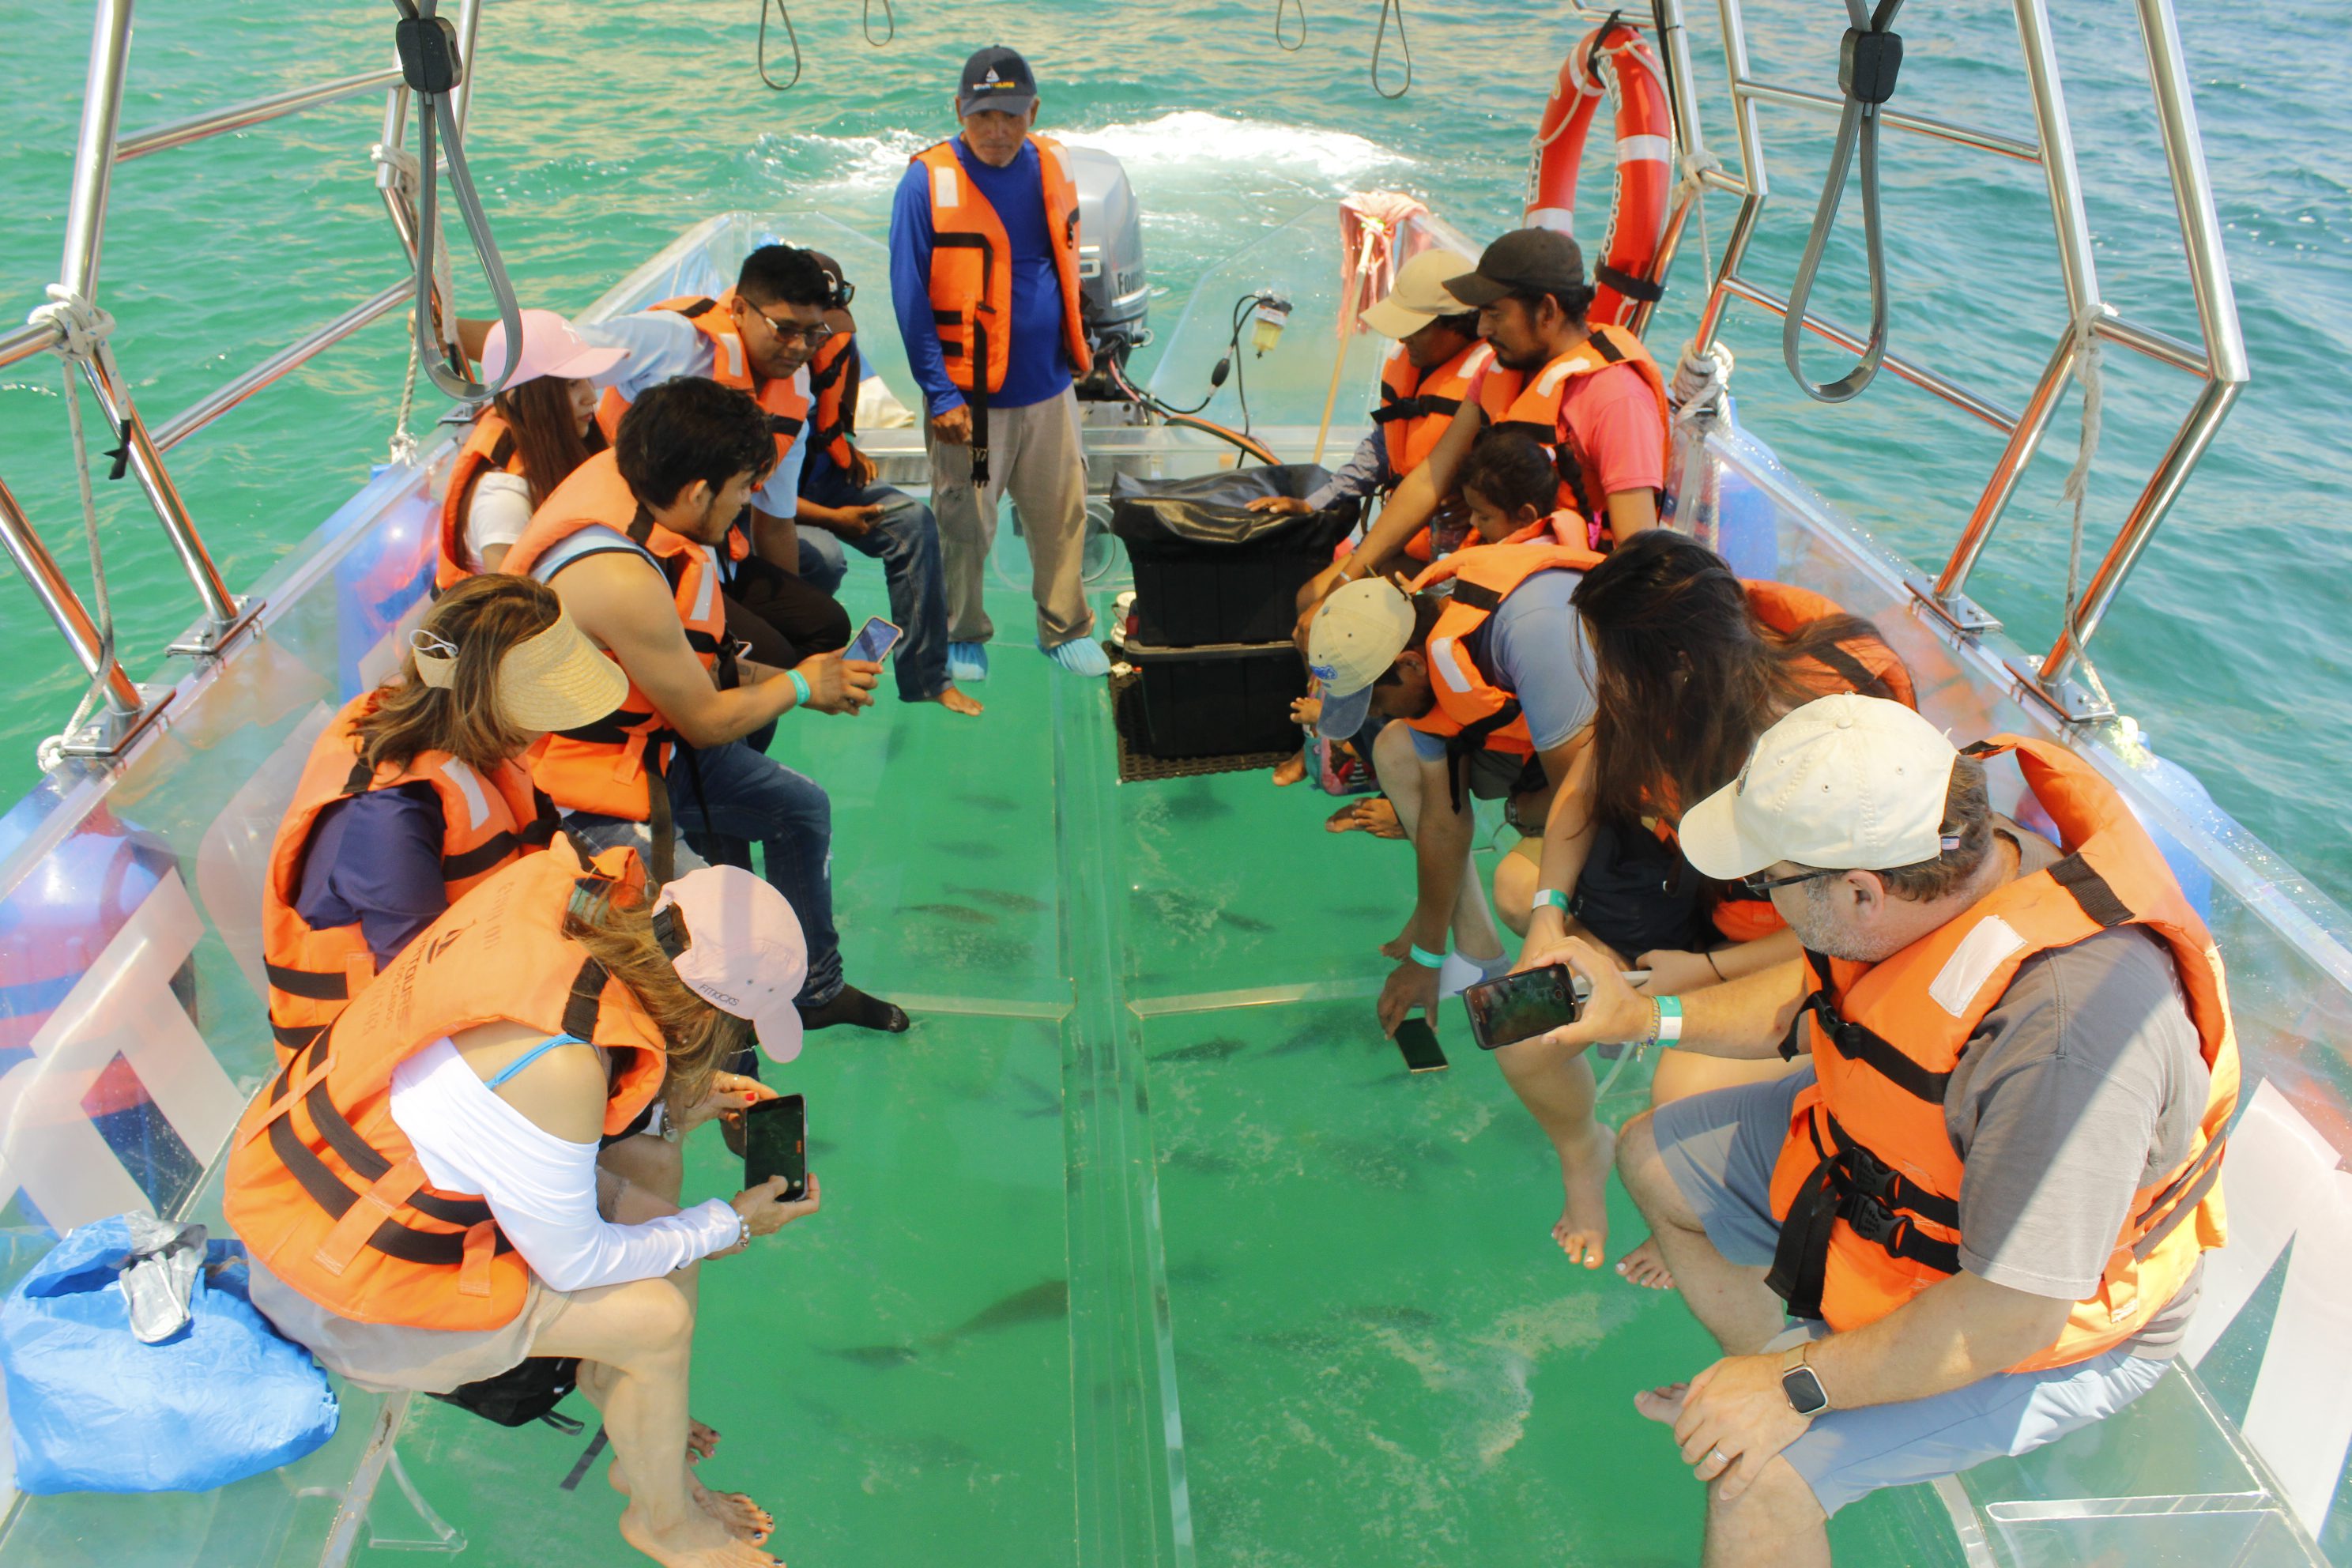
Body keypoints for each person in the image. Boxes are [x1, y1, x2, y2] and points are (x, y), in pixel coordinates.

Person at [1530, 695, 2237, 1568]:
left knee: (1759, 1476)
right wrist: (1643, 1014)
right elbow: (1818, 991)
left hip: (2047, 1318)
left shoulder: (2061, 1037)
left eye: (1768, 880)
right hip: (1900, 1191)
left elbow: (2012, 1313)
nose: (1758, 897)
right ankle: (1792, 1373)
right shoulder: (1937, 868)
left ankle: (1794, 1399)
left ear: (1859, 890)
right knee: (1653, 1156)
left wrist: (1791, 1390)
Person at [228, 838, 820, 1568]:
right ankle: (662, 1525)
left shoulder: (565, 910)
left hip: (313, 1196)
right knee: (657, 1318)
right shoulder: (559, 1059)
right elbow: (574, 1263)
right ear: (702, 1014)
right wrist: (732, 1223)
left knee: (658, 1177)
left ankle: (638, 1424)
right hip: (335, 1295)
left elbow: (495, 1108)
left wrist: (675, 1110)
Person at [1498, 531, 1914, 1285]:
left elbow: (1859, 918)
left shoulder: (1826, 739)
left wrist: (1708, 967)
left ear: (1679, 667)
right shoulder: (1656, 692)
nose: (1603, 683)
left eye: (1611, 664)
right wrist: (1550, 915)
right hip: (1688, 894)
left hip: (1785, 941)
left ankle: (1688, 1221)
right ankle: (1580, 1152)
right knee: (1524, 1023)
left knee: (1671, 1117)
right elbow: (1584, 791)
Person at [504, 375, 906, 1035]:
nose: (750, 500)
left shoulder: (643, 489)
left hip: (652, 746)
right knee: (708, 941)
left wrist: (808, 677)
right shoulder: (618, 577)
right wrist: (802, 687)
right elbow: (703, 718)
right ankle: (722, 1066)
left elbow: (702, 664)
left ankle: (816, 990)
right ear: (698, 492)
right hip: (588, 785)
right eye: (745, 486)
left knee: (800, 810)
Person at [1307, 538, 1630, 1268]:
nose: (1373, 713)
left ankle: (1595, 1115)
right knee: (1397, 749)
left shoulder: (1534, 632)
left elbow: (1592, 805)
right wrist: (1426, 956)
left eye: (1377, 693)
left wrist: (1563, 925)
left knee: (1526, 947)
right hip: (1550, 770)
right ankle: (1481, 955)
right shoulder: (1434, 649)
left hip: (1622, 794)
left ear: (1413, 664)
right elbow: (1446, 816)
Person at [261, 575, 626, 1061]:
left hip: (484, 968)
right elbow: (422, 989)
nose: (551, 723)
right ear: (485, 700)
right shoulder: (386, 818)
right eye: (544, 702)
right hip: (384, 1054)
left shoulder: (467, 742)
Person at [1299, 228, 1671, 619]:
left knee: (1356, 625)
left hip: (1558, 596)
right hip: (1489, 562)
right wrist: (1344, 582)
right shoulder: (1498, 371)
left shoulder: (1617, 399)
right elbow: (1430, 477)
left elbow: (1636, 554)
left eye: (1494, 314)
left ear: (1546, 311)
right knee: (1315, 598)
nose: (1481, 330)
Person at [890, 45, 1107, 681]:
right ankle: (962, 631)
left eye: (1011, 116)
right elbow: (910, 298)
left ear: (1032, 112)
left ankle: (1065, 626)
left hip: (1047, 390)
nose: (997, 131)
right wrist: (940, 395)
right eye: (983, 115)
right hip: (973, 407)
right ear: (960, 111)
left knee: (1061, 514)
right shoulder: (924, 182)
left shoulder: (1051, 164)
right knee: (965, 520)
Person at [571, 245, 877, 676]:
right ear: (738, 310)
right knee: (774, 659)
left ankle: (744, 707)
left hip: (718, 546)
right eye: (784, 329)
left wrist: (785, 608)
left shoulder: (794, 390)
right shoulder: (673, 340)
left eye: (813, 334)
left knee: (824, 627)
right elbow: (550, 356)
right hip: (646, 552)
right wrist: (450, 332)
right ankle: (717, 727)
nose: (799, 348)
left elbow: (775, 520)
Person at [791, 250, 979, 716]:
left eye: (826, 325)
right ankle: (800, 669)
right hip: (771, 507)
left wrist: (846, 449)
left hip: (821, 483)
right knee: (826, 559)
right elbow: (753, 502)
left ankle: (927, 678)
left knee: (914, 522)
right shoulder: (749, 378)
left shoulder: (838, 345)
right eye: (810, 326)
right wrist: (834, 519)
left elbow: (833, 419)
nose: (820, 338)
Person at [436, 311, 628, 586]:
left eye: (587, 380)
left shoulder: (571, 445)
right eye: (572, 385)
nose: (590, 397)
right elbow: (513, 611)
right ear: (520, 400)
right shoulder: (503, 500)